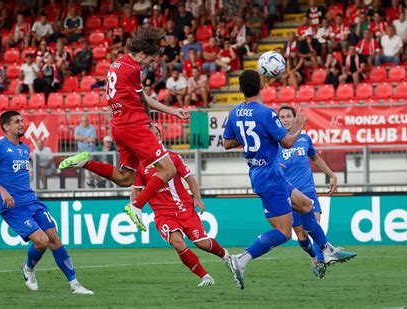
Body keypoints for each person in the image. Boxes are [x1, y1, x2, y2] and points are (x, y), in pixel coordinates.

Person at [222, 70, 357, 289]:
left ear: (240, 89)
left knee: (306, 204)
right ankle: (241, 259)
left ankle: (326, 249)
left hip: (264, 173)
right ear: (261, 86)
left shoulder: (235, 113)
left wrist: (250, 136)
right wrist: (298, 126)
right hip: (270, 177)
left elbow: (227, 143)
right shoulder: (266, 113)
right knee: (283, 233)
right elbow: (287, 143)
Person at [58, 27, 189, 232]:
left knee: (126, 178)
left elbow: (138, 98)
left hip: (119, 125)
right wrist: (149, 123)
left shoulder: (117, 63)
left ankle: (85, 162)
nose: (149, 65)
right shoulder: (133, 69)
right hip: (134, 125)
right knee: (169, 169)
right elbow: (142, 101)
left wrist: (172, 112)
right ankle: (136, 206)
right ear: (142, 53)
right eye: (150, 60)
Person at [0, 111, 93, 295]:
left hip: (32, 201)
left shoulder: (25, 149)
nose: (21, 124)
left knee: (54, 239)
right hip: (13, 206)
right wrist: (3, 190)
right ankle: (28, 268)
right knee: (41, 241)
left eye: (22, 121)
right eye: (16, 122)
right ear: (6, 127)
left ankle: (75, 285)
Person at [132, 124, 233, 286]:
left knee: (202, 244)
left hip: (183, 208)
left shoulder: (173, 158)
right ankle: (205, 276)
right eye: (150, 135)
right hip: (162, 214)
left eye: (156, 133)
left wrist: (198, 199)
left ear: (160, 137)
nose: (154, 137)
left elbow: (190, 179)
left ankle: (227, 257)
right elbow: (136, 191)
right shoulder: (141, 165)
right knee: (178, 243)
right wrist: (135, 210)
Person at [277, 106, 341, 276]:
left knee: (314, 225)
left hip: (308, 191)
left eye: (288, 116)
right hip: (290, 195)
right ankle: (314, 255)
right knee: (302, 237)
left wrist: (332, 175)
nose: (285, 119)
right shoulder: (274, 143)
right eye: (282, 117)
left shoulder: (305, 139)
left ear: (294, 118)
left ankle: (320, 261)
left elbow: (315, 158)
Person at [74, 116, 96, 188]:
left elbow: (92, 139)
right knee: (81, 169)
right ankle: (82, 185)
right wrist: (86, 138)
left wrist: (81, 139)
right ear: (81, 122)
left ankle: (90, 183)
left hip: (90, 152)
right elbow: (75, 137)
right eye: (83, 121)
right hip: (80, 152)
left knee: (90, 168)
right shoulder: (78, 128)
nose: (84, 122)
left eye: (86, 121)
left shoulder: (91, 128)